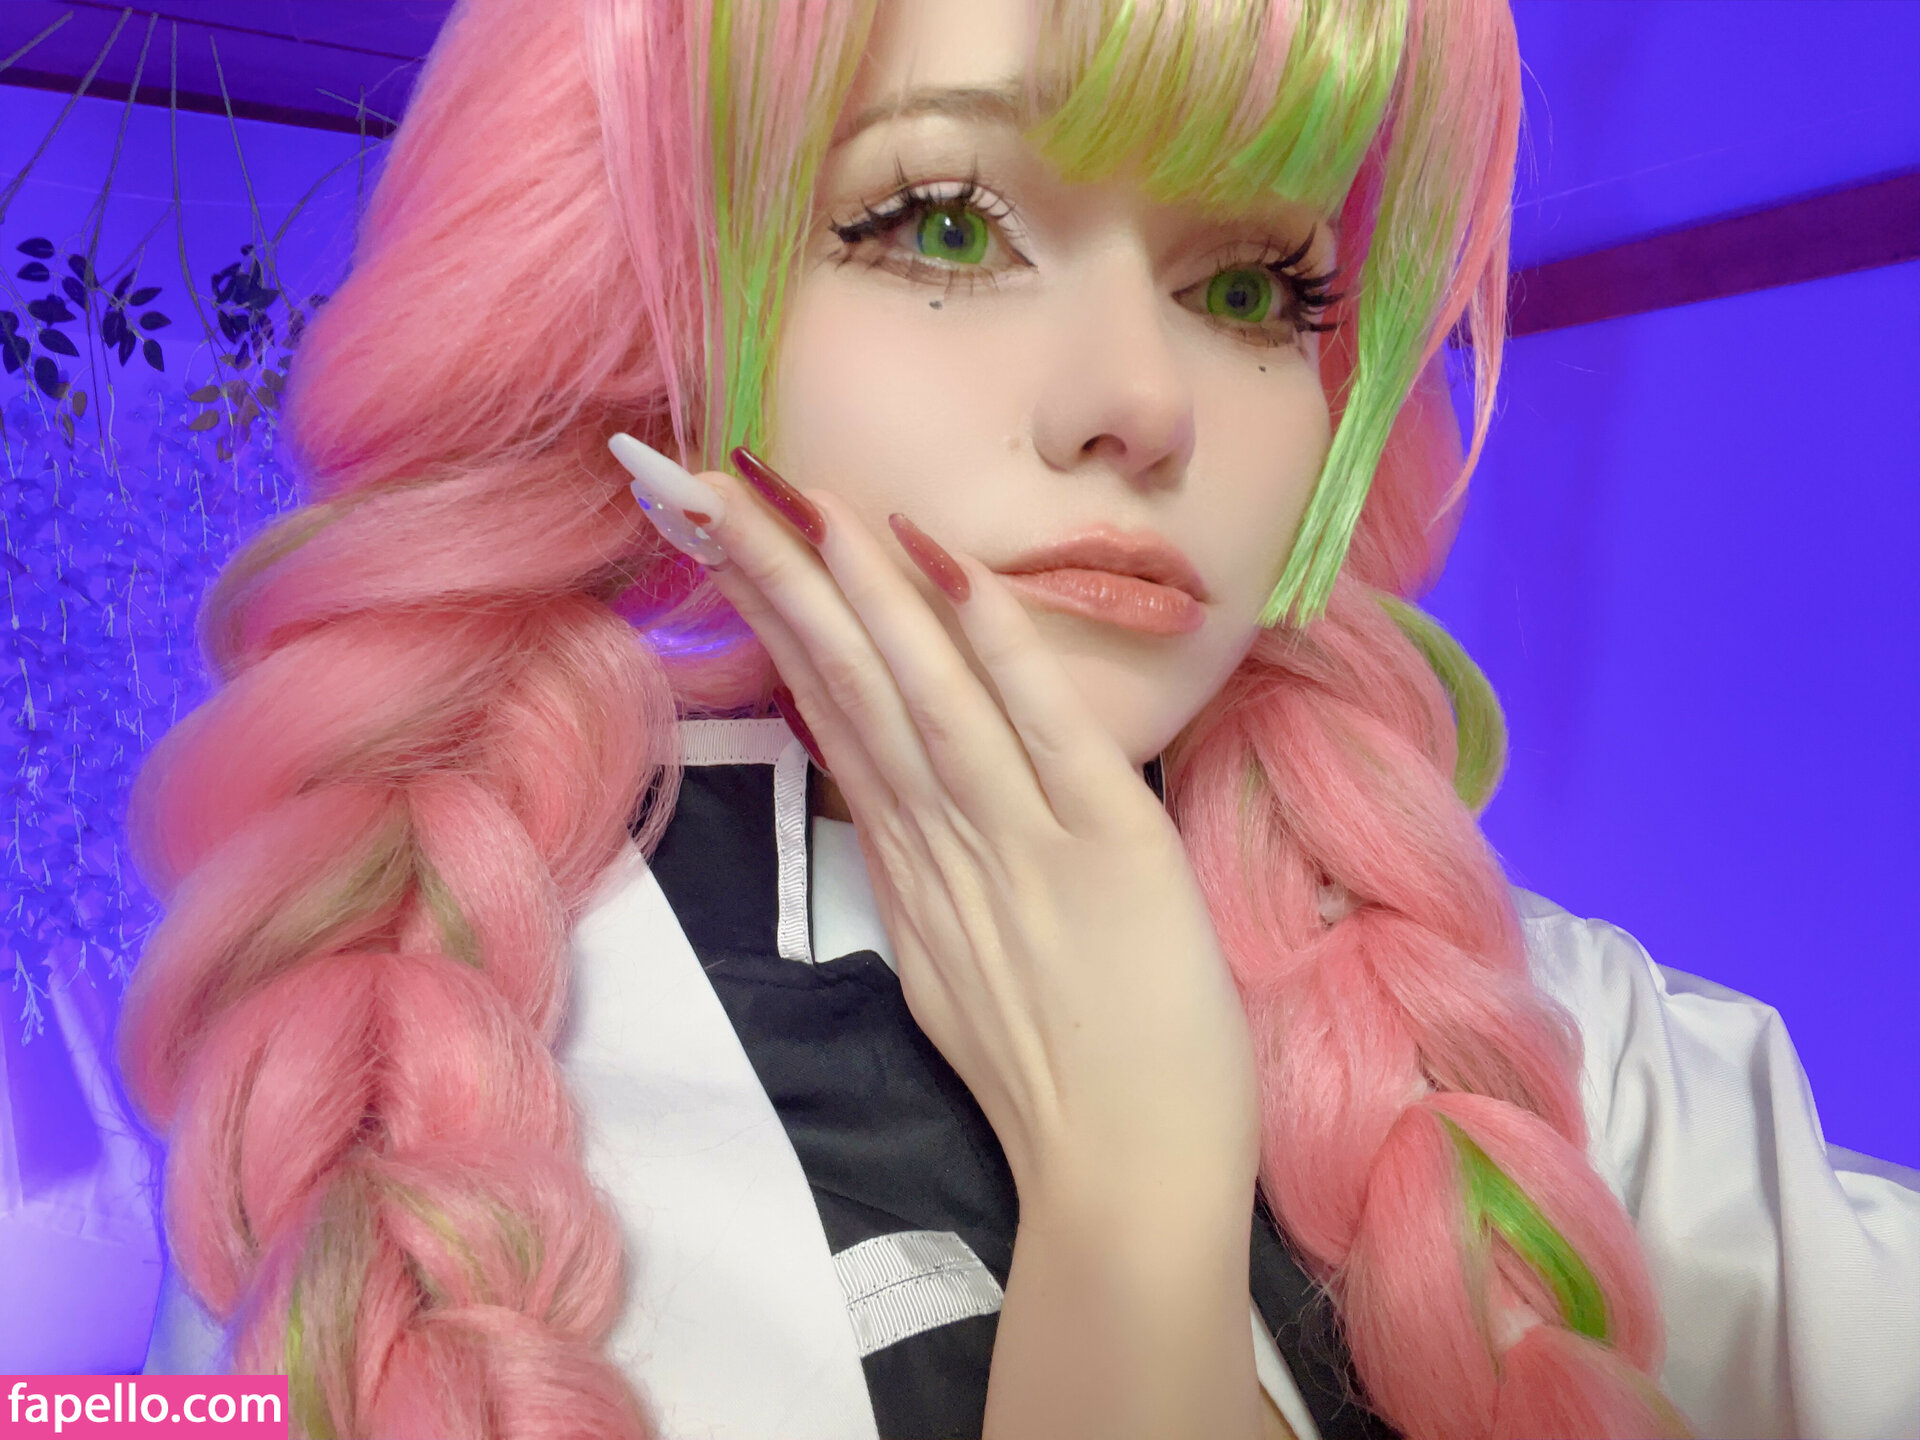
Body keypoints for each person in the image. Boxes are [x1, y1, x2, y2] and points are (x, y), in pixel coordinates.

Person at [122, 0, 1920, 1437]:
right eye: (944, 224)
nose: (1141, 402)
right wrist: (1129, 1204)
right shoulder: (401, 1111)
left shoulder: (1568, 1050)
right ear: (641, 296)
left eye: (1252, 286)